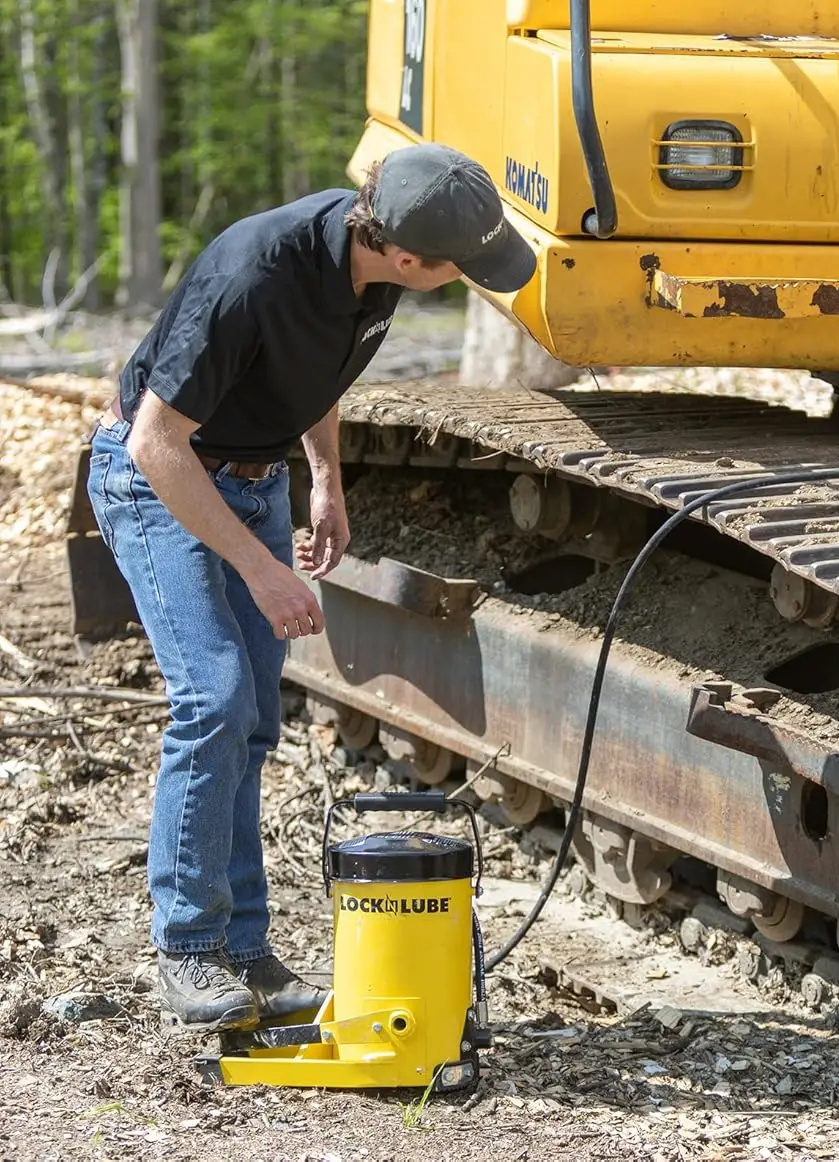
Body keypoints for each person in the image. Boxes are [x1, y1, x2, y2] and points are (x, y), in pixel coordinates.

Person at [86, 142, 536, 1031]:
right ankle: (185, 948)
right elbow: (154, 444)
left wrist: (324, 477)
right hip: (161, 478)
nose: (467, 278)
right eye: (462, 269)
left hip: (251, 479)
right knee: (212, 697)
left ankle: (245, 952)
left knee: (253, 715)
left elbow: (314, 373)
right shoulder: (253, 274)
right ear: (407, 255)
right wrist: (262, 570)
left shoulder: (376, 265)